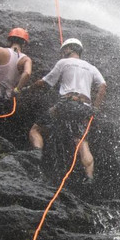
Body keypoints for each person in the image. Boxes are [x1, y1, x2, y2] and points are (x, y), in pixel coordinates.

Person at [29, 37, 106, 181]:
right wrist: (95, 108)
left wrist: (29, 89)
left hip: (66, 104)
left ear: (69, 49)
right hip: (84, 108)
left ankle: (36, 156)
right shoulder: (91, 67)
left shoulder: (63, 63)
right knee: (82, 142)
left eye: (64, 49)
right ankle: (89, 178)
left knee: (36, 129)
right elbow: (103, 86)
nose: (63, 52)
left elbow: (45, 83)